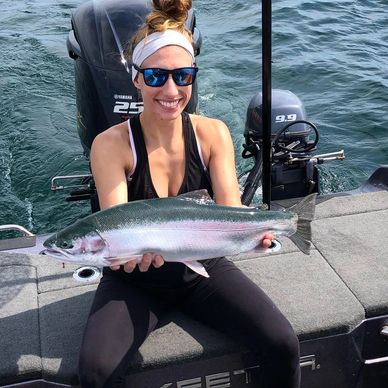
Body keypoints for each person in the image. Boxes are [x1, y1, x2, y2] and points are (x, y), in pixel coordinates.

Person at [78, 0, 300, 387]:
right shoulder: (110, 145)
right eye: (155, 76)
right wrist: (127, 259)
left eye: (182, 76)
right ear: (135, 78)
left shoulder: (212, 133)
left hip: (205, 268)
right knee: (95, 373)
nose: (170, 89)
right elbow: (117, 228)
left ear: (193, 77)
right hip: (136, 280)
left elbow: (231, 210)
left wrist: (255, 237)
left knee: (283, 343)